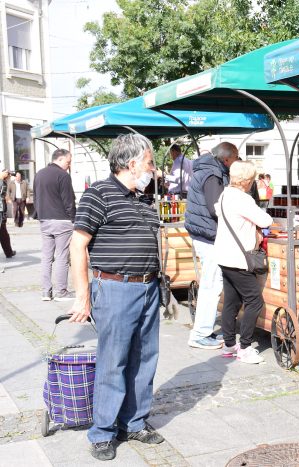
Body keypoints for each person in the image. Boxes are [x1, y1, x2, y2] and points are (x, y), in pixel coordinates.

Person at [68, 133, 163, 461]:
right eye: (150, 162)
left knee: (145, 358)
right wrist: (82, 296)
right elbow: (77, 244)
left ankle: (134, 421)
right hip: (115, 288)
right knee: (114, 360)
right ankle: (103, 432)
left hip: (149, 287)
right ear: (132, 163)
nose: (154, 169)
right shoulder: (99, 193)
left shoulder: (144, 197)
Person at [215, 160, 272, 364]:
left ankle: (230, 345)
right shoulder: (242, 199)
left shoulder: (224, 195)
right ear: (247, 181)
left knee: (231, 301)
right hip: (239, 259)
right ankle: (246, 347)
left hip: (224, 256)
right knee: (255, 301)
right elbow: (265, 221)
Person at [184, 142, 240, 350]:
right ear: (227, 159)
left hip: (204, 234)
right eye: (236, 157)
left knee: (211, 283)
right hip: (208, 237)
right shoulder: (213, 175)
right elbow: (216, 208)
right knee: (211, 285)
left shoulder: (208, 170)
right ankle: (200, 334)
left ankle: (203, 331)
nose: (237, 161)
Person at [33, 149, 76, 301]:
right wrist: (74, 219)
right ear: (60, 159)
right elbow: (68, 200)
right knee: (62, 256)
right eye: (68, 162)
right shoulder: (63, 175)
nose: (69, 165)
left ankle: (46, 292)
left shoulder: (39, 173)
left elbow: (36, 196)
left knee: (46, 257)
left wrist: (39, 215)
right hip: (61, 221)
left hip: (44, 219)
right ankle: (61, 292)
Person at [0, 169, 15, 258]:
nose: (9, 177)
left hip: (2, 212)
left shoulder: (3, 182)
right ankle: (9, 252)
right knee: (3, 233)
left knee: (4, 234)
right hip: (0, 212)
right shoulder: (2, 182)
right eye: (9, 175)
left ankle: (9, 252)